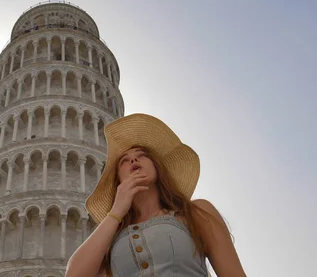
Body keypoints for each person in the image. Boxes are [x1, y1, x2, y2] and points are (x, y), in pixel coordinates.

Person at [66, 113, 247, 277]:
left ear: (157, 167)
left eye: (142, 155)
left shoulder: (195, 212)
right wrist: (115, 212)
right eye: (124, 161)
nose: (133, 160)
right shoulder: (111, 242)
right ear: (118, 180)